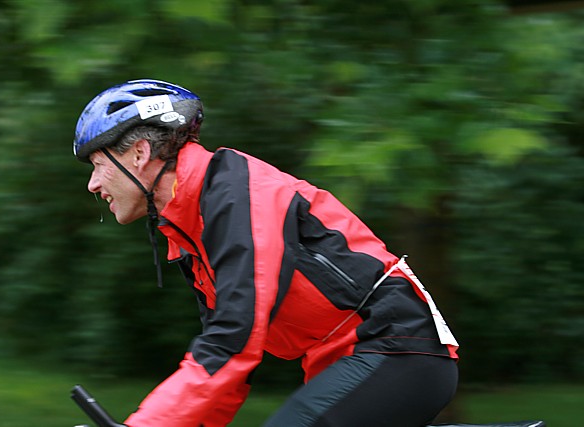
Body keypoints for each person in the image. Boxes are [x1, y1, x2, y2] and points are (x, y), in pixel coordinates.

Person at [72, 79, 460, 427]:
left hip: (396, 349)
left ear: (139, 153)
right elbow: (223, 370)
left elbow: (232, 343)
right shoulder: (191, 226)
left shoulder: (239, 196)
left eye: (99, 165)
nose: (92, 184)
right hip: (346, 364)